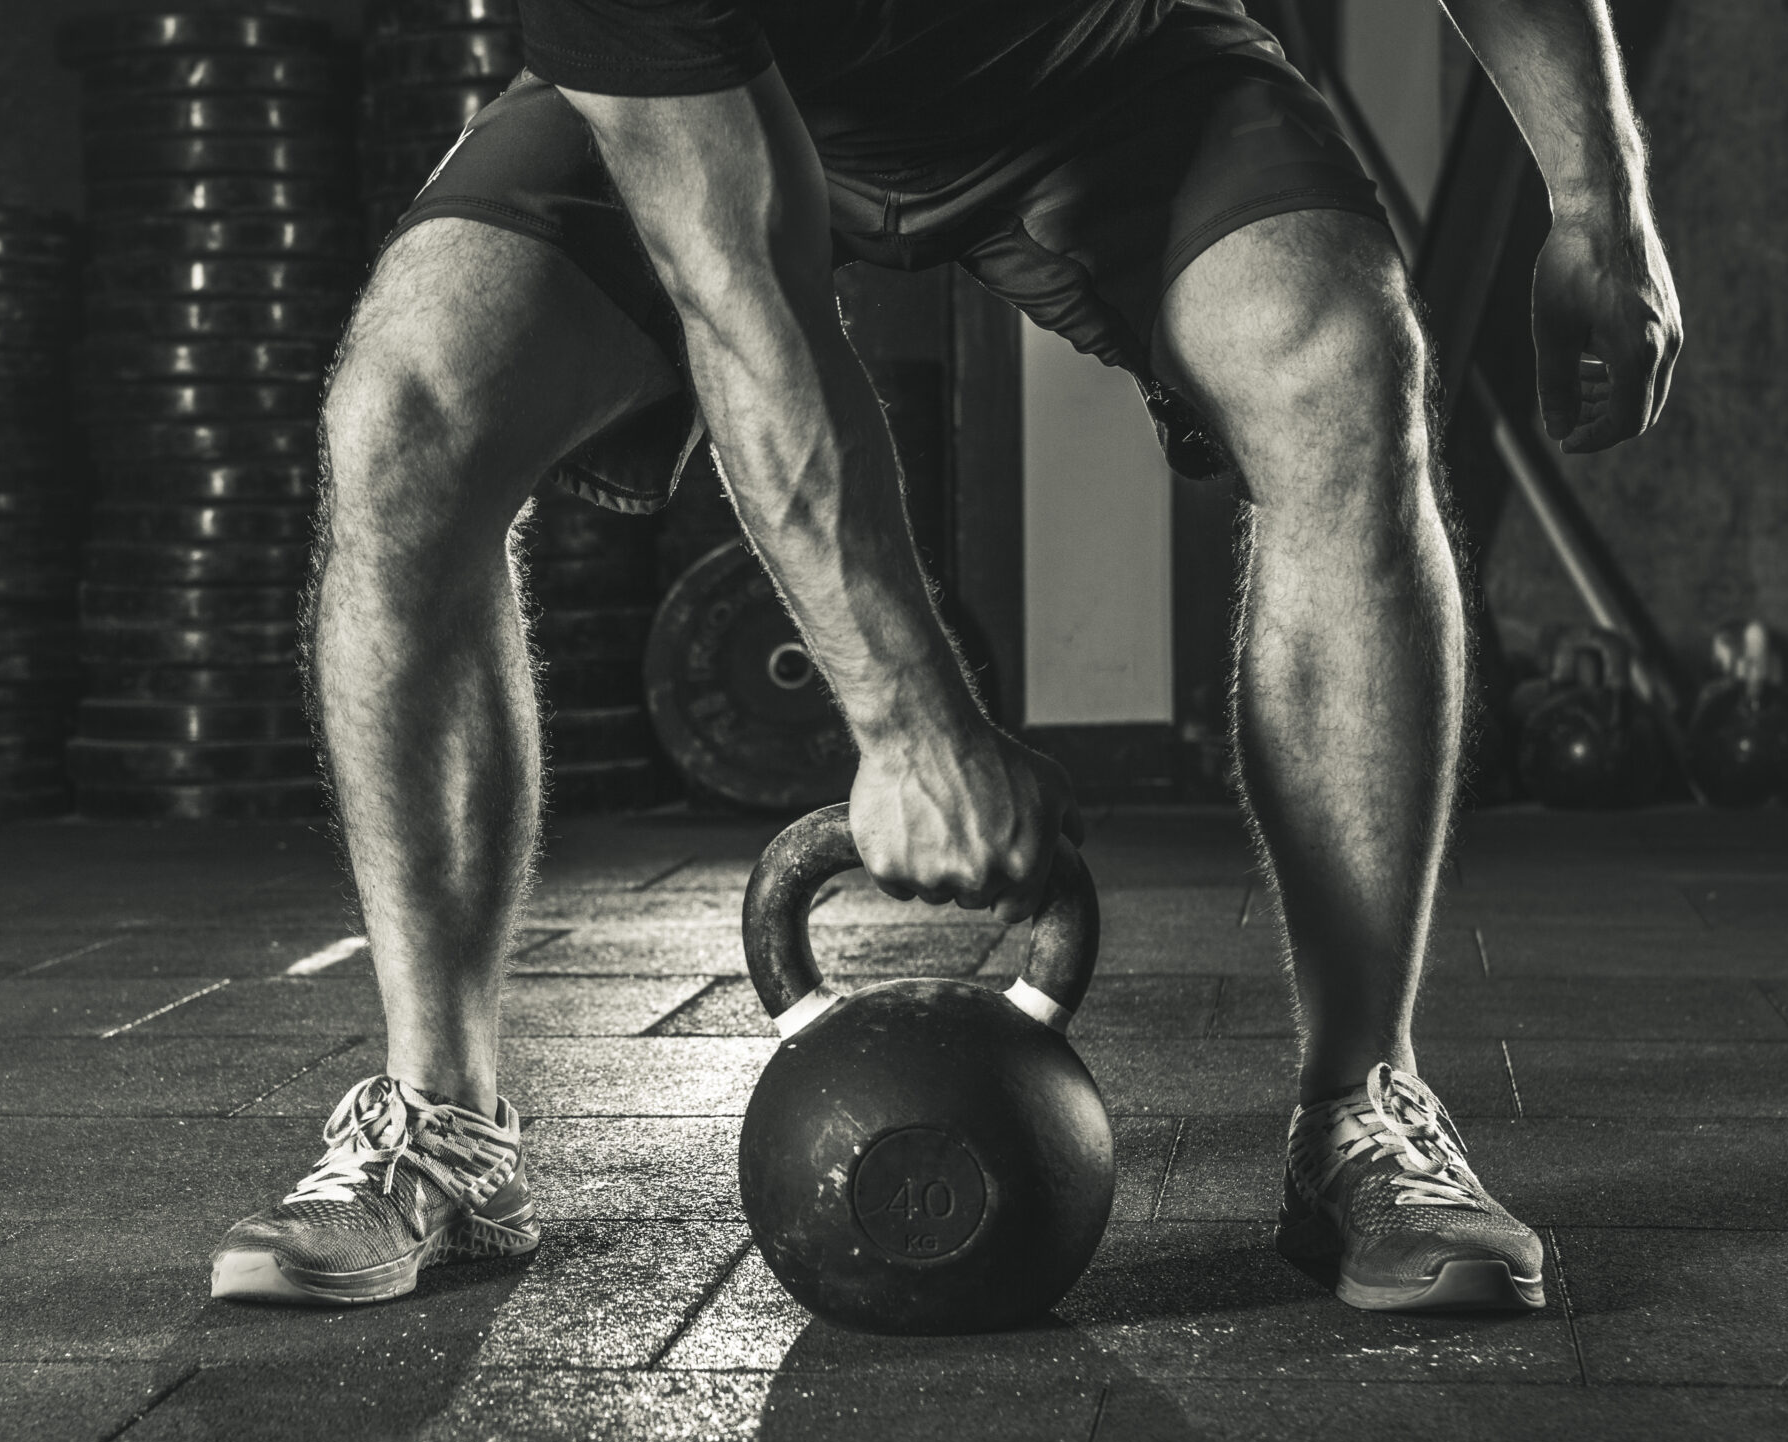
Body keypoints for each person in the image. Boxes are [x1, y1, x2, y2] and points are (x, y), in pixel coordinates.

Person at [208, 0, 1681, 1313]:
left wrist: (1598, 201)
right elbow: (745, 297)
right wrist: (908, 726)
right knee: (407, 411)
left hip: (1106, 59)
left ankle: (1364, 1104)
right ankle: (443, 1126)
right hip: (736, 95)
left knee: (1345, 367)